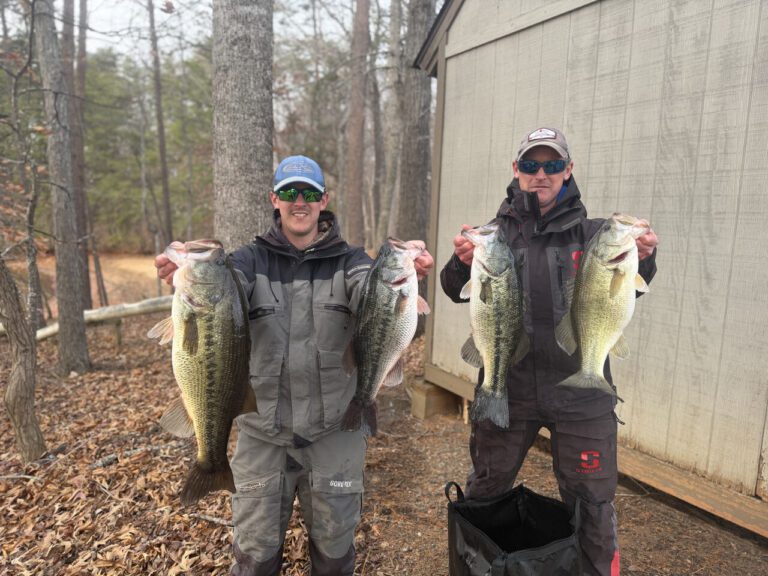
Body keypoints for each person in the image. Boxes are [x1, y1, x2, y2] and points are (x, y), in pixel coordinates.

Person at [155, 155, 434, 576]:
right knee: (253, 559)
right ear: (275, 200)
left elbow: (373, 300)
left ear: (323, 201)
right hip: (262, 436)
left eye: (308, 193)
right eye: (289, 192)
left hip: (336, 433)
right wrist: (185, 276)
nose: (298, 201)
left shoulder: (354, 263)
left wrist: (407, 278)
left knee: (335, 555)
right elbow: (224, 297)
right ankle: (210, 466)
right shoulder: (246, 263)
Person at [440, 127, 658, 576]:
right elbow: (450, 288)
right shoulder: (493, 237)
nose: (542, 174)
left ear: (569, 170)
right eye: (532, 165)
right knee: (485, 491)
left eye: (553, 165)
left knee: (593, 506)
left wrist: (646, 257)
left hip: (582, 397)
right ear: (516, 171)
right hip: (509, 390)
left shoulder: (596, 235)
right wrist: (461, 262)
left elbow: (628, 290)